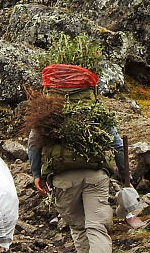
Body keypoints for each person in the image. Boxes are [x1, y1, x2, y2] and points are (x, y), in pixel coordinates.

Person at [28, 70, 124, 253]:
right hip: (95, 174)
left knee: (79, 227)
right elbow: (117, 144)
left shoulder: (46, 113)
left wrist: (36, 174)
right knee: (97, 227)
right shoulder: (95, 109)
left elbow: (33, 145)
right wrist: (124, 173)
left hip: (63, 179)